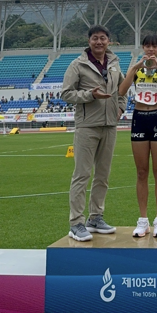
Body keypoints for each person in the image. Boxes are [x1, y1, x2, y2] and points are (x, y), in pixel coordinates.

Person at [61, 25, 127, 242]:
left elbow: (123, 88)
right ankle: (76, 222)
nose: (99, 42)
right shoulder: (77, 64)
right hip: (87, 126)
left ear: (109, 41)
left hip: (110, 125)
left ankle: (96, 217)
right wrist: (90, 95)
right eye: (95, 38)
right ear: (89, 41)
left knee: (103, 175)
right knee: (81, 175)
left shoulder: (115, 63)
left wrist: (120, 108)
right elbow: (66, 93)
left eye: (103, 38)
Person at [118, 34, 157, 238]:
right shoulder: (136, 69)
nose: (151, 49)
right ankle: (143, 220)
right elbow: (121, 91)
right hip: (139, 117)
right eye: (147, 46)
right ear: (142, 47)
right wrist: (133, 68)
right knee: (141, 172)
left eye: (155, 46)